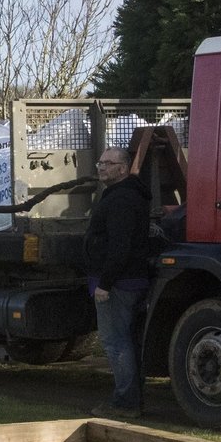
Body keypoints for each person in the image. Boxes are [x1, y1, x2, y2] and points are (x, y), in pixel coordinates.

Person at [85, 147, 153, 418]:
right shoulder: (127, 195)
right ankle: (131, 397)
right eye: (100, 162)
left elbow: (120, 247)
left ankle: (125, 403)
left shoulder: (121, 200)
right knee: (127, 341)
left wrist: (105, 283)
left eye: (108, 163)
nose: (101, 167)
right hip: (128, 280)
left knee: (116, 342)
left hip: (118, 284)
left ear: (123, 169)